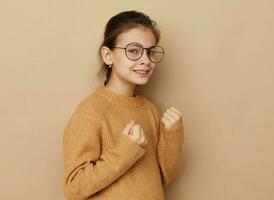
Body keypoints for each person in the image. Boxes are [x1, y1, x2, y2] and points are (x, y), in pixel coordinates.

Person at [63, 10, 184, 200]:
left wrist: (172, 137)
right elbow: (75, 188)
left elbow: (162, 178)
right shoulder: (90, 111)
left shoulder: (149, 109)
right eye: (134, 51)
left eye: (150, 51)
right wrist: (126, 150)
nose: (146, 60)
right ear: (108, 55)